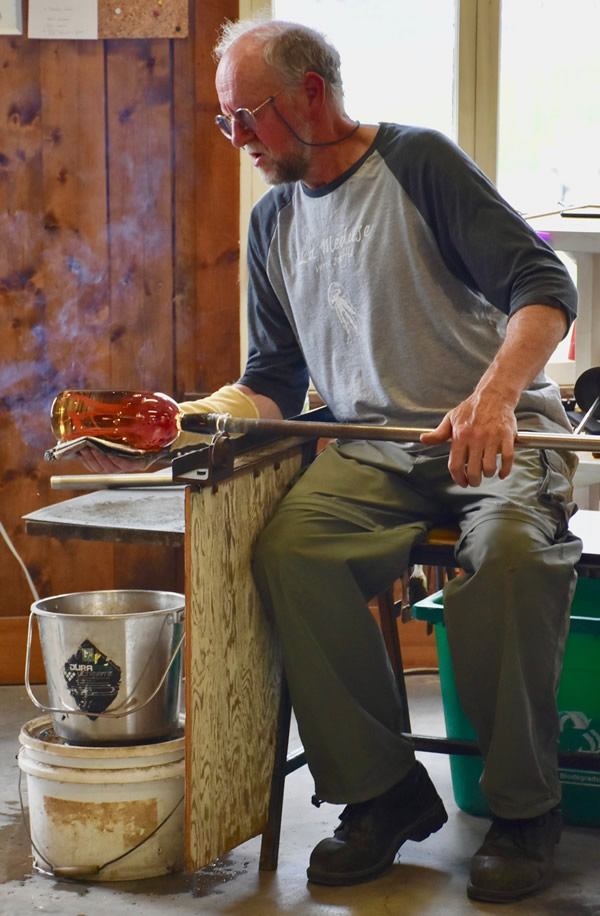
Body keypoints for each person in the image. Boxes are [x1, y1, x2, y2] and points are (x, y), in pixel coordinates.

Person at [81, 18, 583, 904]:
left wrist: (497, 393)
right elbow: (274, 377)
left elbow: (545, 289)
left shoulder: (418, 163)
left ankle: (522, 809)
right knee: (290, 553)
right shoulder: (273, 220)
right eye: (225, 122)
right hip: (374, 448)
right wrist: (194, 420)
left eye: (250, 117)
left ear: (312, 92)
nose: (238, 140)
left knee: (507, 558)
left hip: (492, 434)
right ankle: (383, 794)